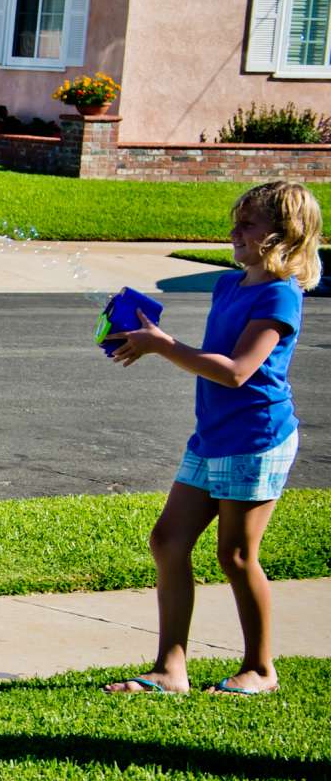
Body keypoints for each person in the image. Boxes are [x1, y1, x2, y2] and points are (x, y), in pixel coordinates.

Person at [104, 179, 320, 698]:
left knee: (236, 555)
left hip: (256, 438)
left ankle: (260, 669)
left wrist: (164, 346)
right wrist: (141, 330)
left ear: (284, 234)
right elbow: (214, 354)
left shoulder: (279, 296)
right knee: (168, 541)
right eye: (236, 220)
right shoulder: (230, 285)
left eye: (248, 223)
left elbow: (237, 371)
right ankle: (169, 668)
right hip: (213, 435)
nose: (234, 231)